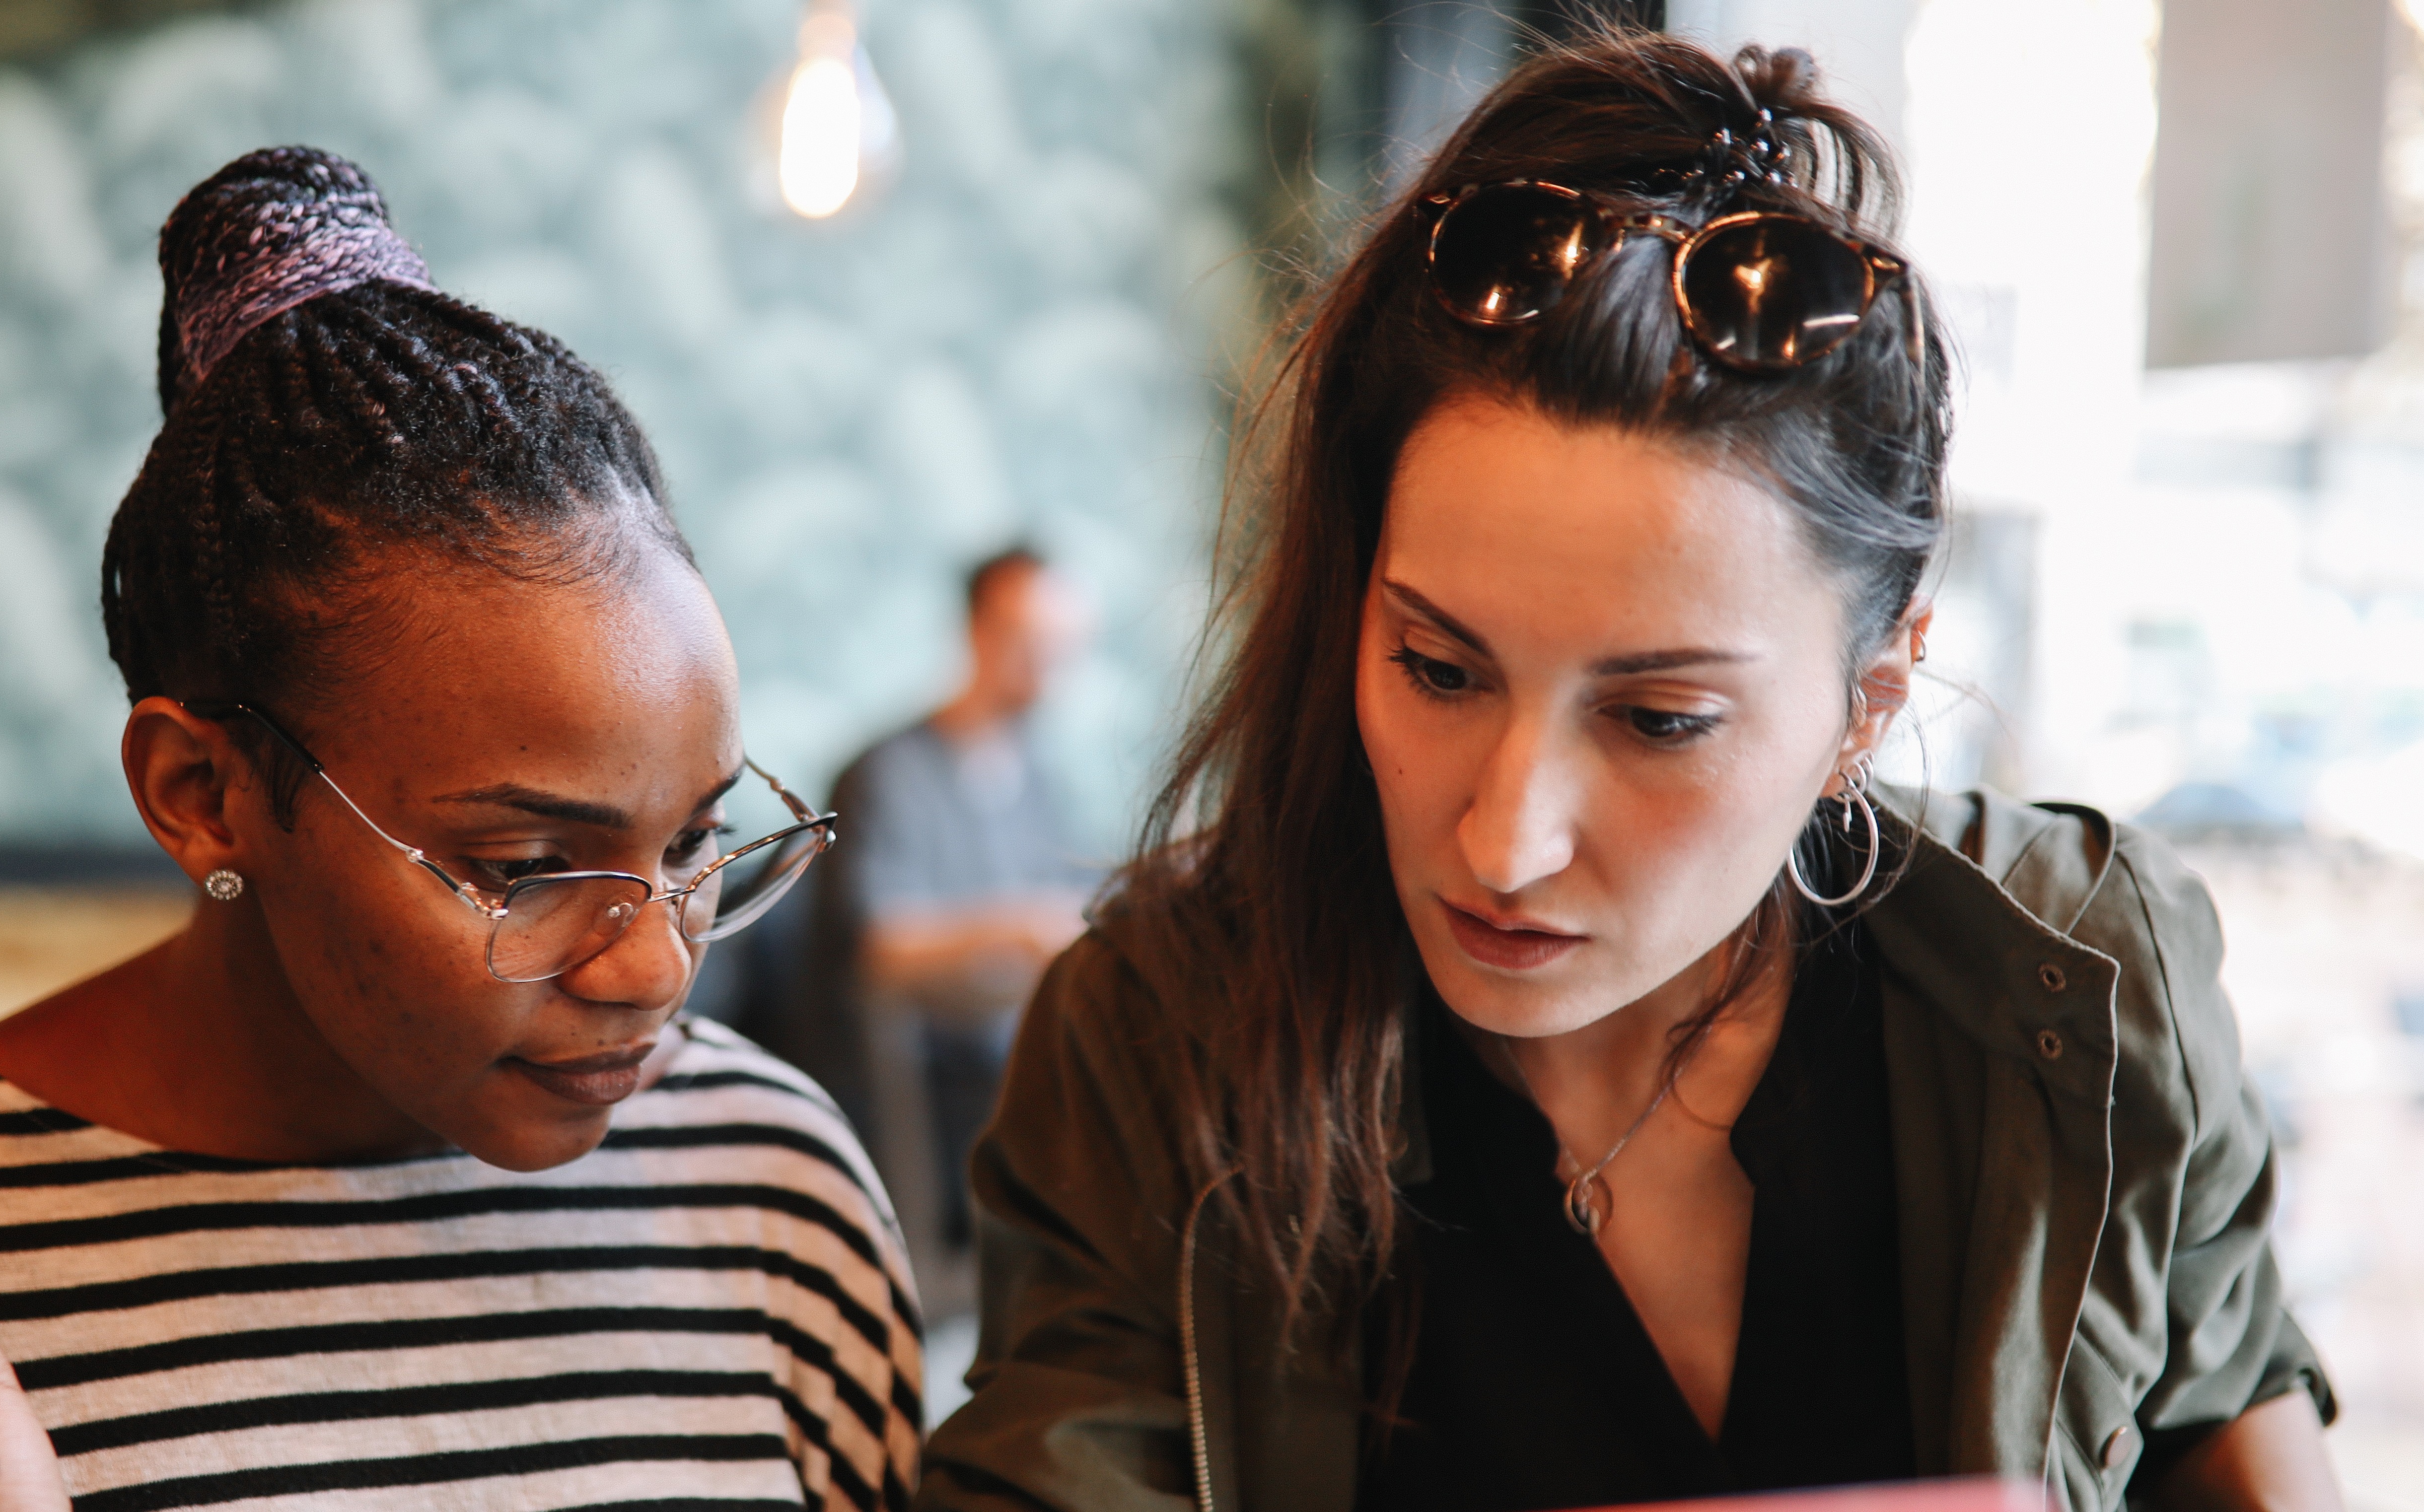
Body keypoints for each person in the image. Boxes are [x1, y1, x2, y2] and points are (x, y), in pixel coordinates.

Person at [922, 34, 2341, 1512]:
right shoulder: (1160, 1043)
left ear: (1871, 699)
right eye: (1439, 668)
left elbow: (2232, 1427)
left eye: (1659, 719)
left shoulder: (2085, 984)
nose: (1505, 838)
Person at [0, 148, 920, 1512]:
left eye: (695, 841)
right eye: (527, 868)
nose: (654, 967)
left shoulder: (772, 1183)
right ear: (202, 792)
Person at [807, 549, 1101, 1269]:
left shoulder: (1038, 776)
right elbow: (881, 948)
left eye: (1063, 646)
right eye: (1032, 641)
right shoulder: (888, 772)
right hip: (922, 1065)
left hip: (1009, 1046)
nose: (1049, 665)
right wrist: (1022, 930)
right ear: (978, 631)